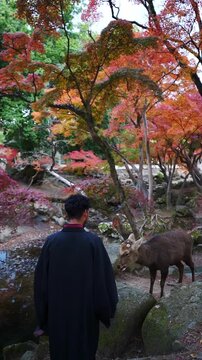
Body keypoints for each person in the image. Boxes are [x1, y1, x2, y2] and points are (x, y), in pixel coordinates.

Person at [34, 193, 118, 360]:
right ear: (85, 213)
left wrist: (42, 318)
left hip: (58, 314)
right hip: (84, 315)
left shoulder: (52, 242)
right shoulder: (93, 242)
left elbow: (40, 283)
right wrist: (105, 311)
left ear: (67, 213)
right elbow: (103, 281)